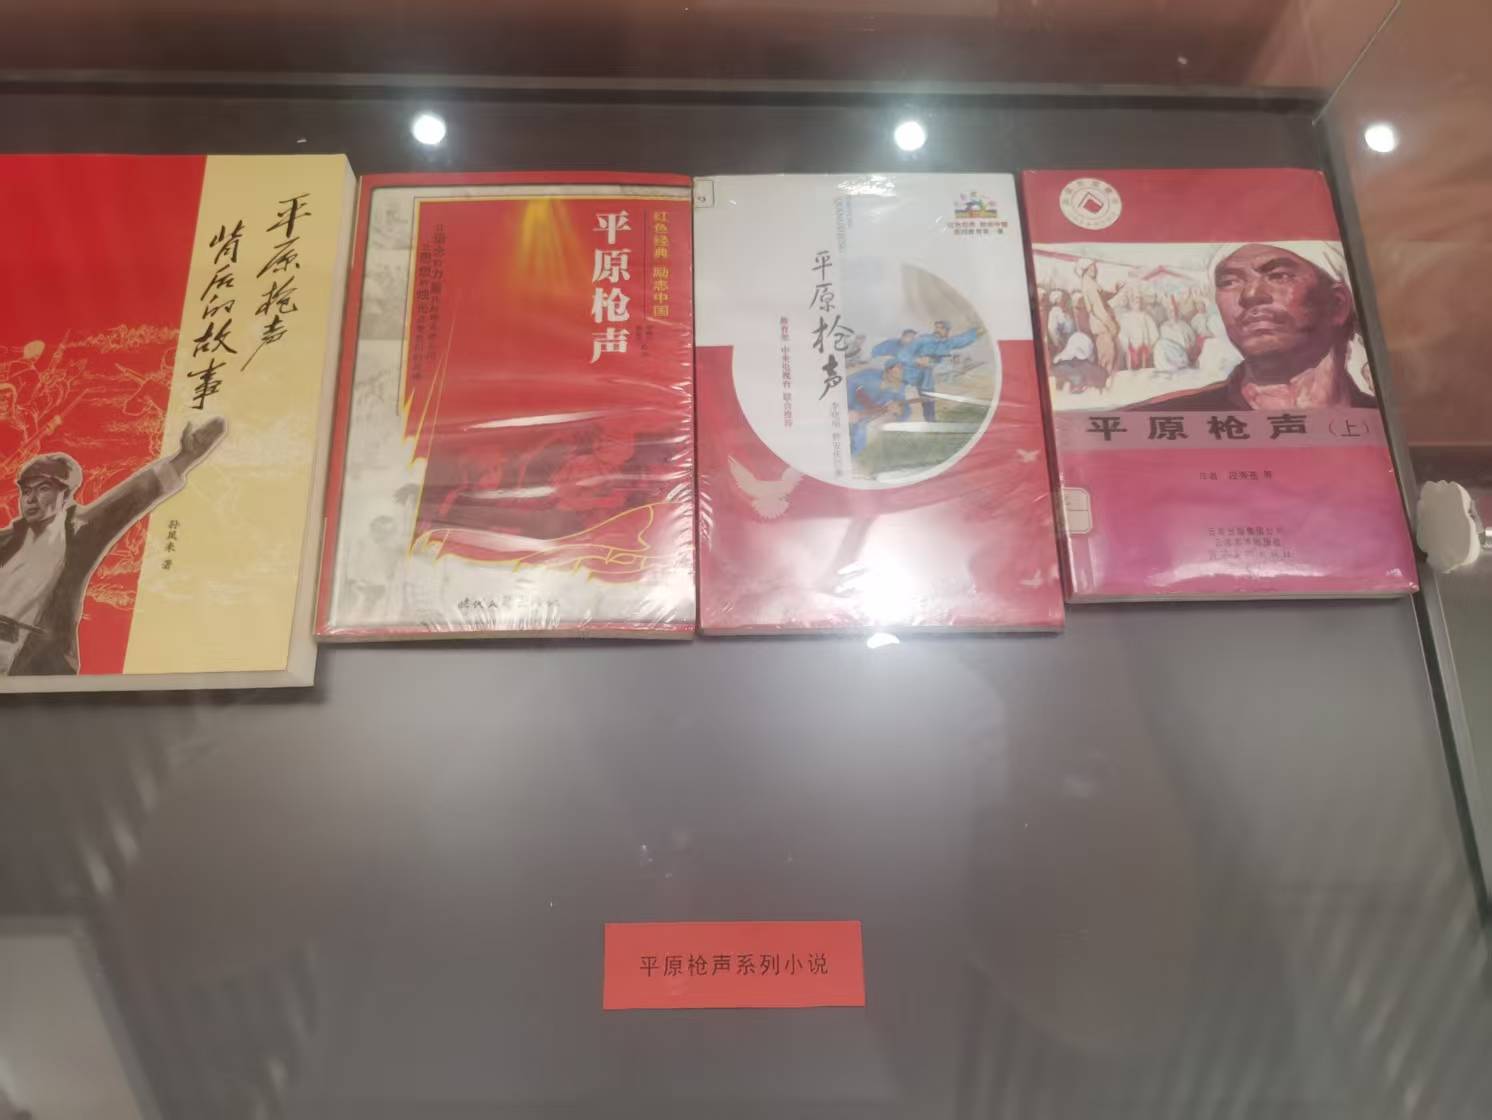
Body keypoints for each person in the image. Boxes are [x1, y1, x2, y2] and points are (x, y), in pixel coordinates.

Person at [0, 416, 226, 675]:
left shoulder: (79, 533)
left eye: (42, 489)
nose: (30, 499)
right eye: (26, 491)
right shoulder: (6, 541)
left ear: (65, 495)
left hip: (33, 667)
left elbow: (133, 497)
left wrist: (185, 458)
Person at [1130, 242, 1374, 411]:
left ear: (1337, 304)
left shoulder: (1375, 420)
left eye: (1279, 275)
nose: (1250, 295)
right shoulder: (1162, 420)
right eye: (1229, 281)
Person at [1076, 259, 1121, 373]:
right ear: (1085, 269)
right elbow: (1098, 309)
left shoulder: (1089, 282)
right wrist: (1111, 325)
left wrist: (1114, 291)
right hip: (1101, 325)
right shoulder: (1090, 285)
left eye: (1095, 267)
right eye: (1091, 267)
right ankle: (1105, 380)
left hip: (1099, 324)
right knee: (1107, 357)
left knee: (1105, 355)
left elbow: (1101, 297)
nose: (1095, 270)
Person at [1116, 287, 1159, 370]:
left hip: (1144, 348)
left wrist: (1149, 345)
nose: (1136, 301)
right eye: (1134, 299)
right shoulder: (1126, 317)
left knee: (1144, 365)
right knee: (1130, 360)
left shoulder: (1145, 316)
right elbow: (1123, 334)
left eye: (1138, 299)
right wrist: (1127, 344)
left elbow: (1154, 333)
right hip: (1131, 348)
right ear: (1129, 302)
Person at [1046, 292, 1075, 356]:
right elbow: (1052, 329)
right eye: (1062, 299)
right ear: (1057, 301)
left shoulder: (1065, 311)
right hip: (1062, 342)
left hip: (1071, 340)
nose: (1064, 301)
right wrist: (1059, 343)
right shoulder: (1054, 313)